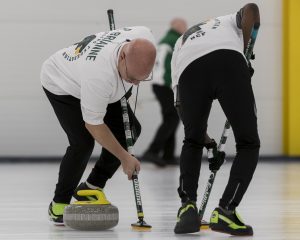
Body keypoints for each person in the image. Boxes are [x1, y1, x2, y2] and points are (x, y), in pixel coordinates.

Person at [40, 26, 156, 225]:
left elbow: (131, 66)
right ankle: (58, 203)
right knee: (82, 143)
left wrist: (127, 81)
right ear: (121, 58)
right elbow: (94, 125)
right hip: (62, 83)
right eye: (132, 78)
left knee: (131, 130)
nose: (136, 84)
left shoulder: (143, 35)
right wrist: (124, 158)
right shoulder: (99, 76)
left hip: (103, 82)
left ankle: (91, 187)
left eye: (141, 79)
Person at [171, 3, 260, 235]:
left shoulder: (180, 43)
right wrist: (246, 51)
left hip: (188, 71)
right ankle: (226, 211)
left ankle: (187, 207)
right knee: (248, 143)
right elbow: (252, 10)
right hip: (228, 62)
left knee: (191, 140)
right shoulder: (226, 20)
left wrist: (207, 143)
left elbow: (182, 109)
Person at [142, 18, 187, 167]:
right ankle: (152, 151)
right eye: (184, 25)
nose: (186, 28)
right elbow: (170, 66)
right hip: (165, 84)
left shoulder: (167, 39)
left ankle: (168, 155)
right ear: (177, 26)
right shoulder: (175, 40)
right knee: (172, 118)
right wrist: (173, 84)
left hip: (159, 84)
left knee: (171, 117)